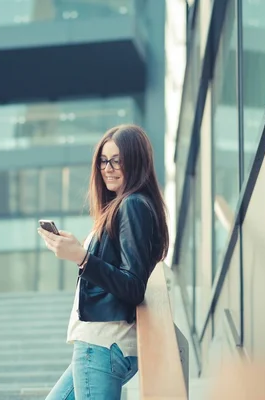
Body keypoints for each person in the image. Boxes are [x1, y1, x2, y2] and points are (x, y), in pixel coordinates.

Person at [38, 124, 169, 400]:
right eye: (103, 161)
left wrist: (82, 257)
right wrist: (81, 251)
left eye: (117, 161)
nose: (108, 168)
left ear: (136, 161)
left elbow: (133, 285)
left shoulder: (132, 205)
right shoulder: (129, 206)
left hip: (102, 345)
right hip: (100, 346)